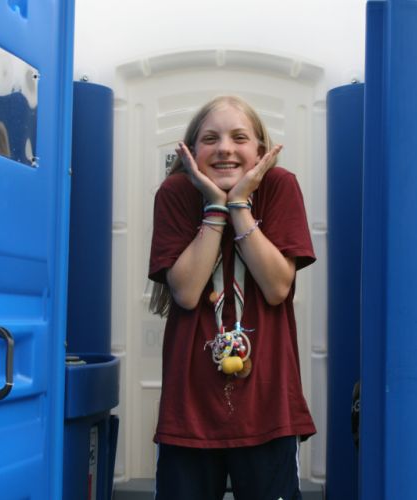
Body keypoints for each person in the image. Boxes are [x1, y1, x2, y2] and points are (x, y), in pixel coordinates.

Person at [148, 95, 316, 500]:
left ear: (260, 149)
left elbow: (276, 287)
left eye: (239, 138)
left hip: (267, 405)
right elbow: (187, 292)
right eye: (211, 139)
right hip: (190, 407)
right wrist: (214, 208)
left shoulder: (279, 186)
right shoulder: (175, 192)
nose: (225, 148)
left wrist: (239, 204)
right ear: (191, 151)